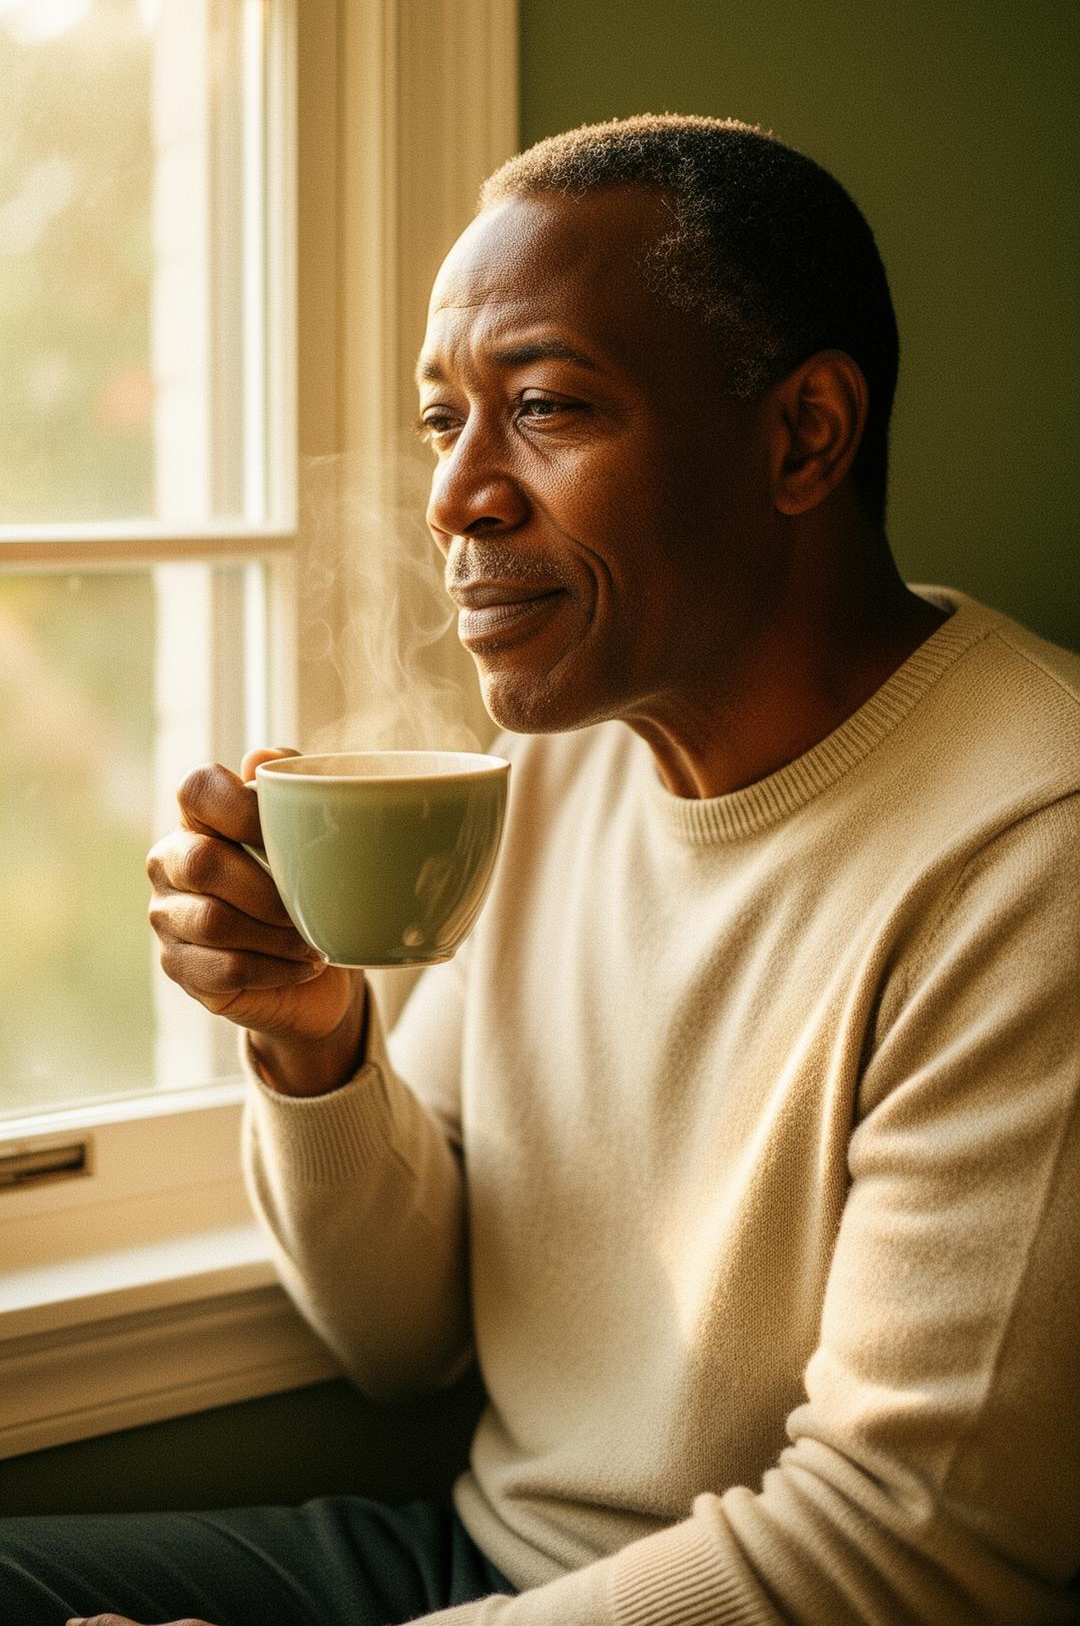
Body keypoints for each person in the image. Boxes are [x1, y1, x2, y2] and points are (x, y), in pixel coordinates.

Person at [4, 114, 1078, 1625]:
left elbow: (910, 1554)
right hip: (471, 1569)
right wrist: (315, 1046)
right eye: (447, 422)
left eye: (550, 408)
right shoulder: (562, 761)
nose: (458, 498)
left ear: (803, 438)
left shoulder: (1034, 852)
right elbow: (408, 1340)